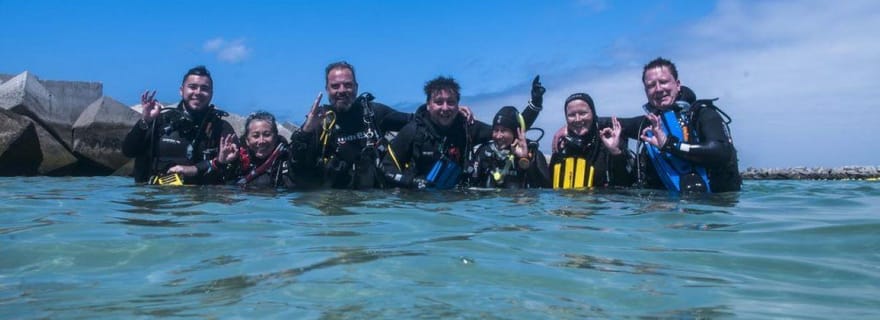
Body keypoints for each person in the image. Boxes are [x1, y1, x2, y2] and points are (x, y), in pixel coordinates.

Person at [382, 76, 543, 189]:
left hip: (455, 207)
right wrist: (414, 182)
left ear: (458, 104)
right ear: (428, 105)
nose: (445, 108)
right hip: (418, 205)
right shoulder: (413, 131)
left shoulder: (467, 128)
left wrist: (535, 104)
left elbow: (509, 130)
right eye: (439, 102)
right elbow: (386, 169)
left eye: (451, 102)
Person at [291, 61, 421, 189]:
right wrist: (306, 131)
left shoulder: (374, 113)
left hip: (378, 201)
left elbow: (419, 121)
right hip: (336, 203)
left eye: (347, 85)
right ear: (327, 89)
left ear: (356, 87)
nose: (342, 90)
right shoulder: (320, 121)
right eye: (335, 86)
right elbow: (297, 170)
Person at [622, 57, 741, 193]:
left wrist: (669, 144)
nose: (658, 89)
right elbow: (600, 121)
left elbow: (720, 151)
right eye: (651, 85)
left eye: (664, 82)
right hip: (663, 209)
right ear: (646, 92)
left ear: (677, 85)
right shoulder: (648, 124)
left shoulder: (703, 114)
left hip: (714, 205)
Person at [122, 65, 235, 185]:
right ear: (181, 90)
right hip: (154, 197)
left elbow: (236, 166)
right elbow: (128, 151)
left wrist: (199, 168)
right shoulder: (159, 120)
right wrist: (145, 121)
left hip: (201, 201)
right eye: (192, 87)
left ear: (211, 93)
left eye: (204, 88)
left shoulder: (221, 128)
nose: (198, 92)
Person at [550, 93, 633, 189]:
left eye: (583, 113)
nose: (577, 119)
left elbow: (626, 185)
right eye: (571, 115)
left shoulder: (609, 142)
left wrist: (615, 152)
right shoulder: (561, 148)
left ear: (593, 113)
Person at [467, 106, 551, 189]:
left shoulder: (533, 155)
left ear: (515, 133)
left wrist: (524, 159)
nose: (498, 136)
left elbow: (544, 191)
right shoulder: (484, 152)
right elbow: (470, 187)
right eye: (496, 130)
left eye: (503, 131)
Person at [213, 111, 303, 188]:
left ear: (276, 137)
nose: (261, 141)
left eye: (267, 134)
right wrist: (221, 163)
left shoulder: (288, 160)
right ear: (247, 140)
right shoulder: (236, 163)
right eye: (255, 136)